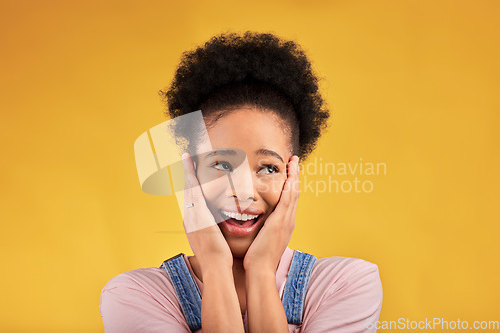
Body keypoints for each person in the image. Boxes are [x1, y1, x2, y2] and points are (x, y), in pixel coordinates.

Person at [99, 31, 383, 333]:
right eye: (221, 164)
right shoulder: (135, 296)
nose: (244, 192)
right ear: (190, 174)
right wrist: (215, 268)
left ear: (292, 175)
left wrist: (261, 272)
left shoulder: (346, 284)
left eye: (268, 168)